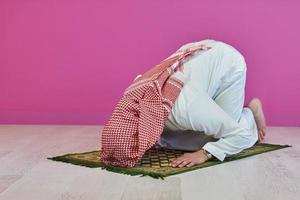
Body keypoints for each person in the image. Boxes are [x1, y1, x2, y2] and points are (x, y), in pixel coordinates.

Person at [155, 39, 266, 168]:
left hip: (227, 62)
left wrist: (205, 153)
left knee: (221, 137)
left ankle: (250, 114)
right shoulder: (140, 100)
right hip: (198, 53)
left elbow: (241, 136)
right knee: (169, 140)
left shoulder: (184, 108)